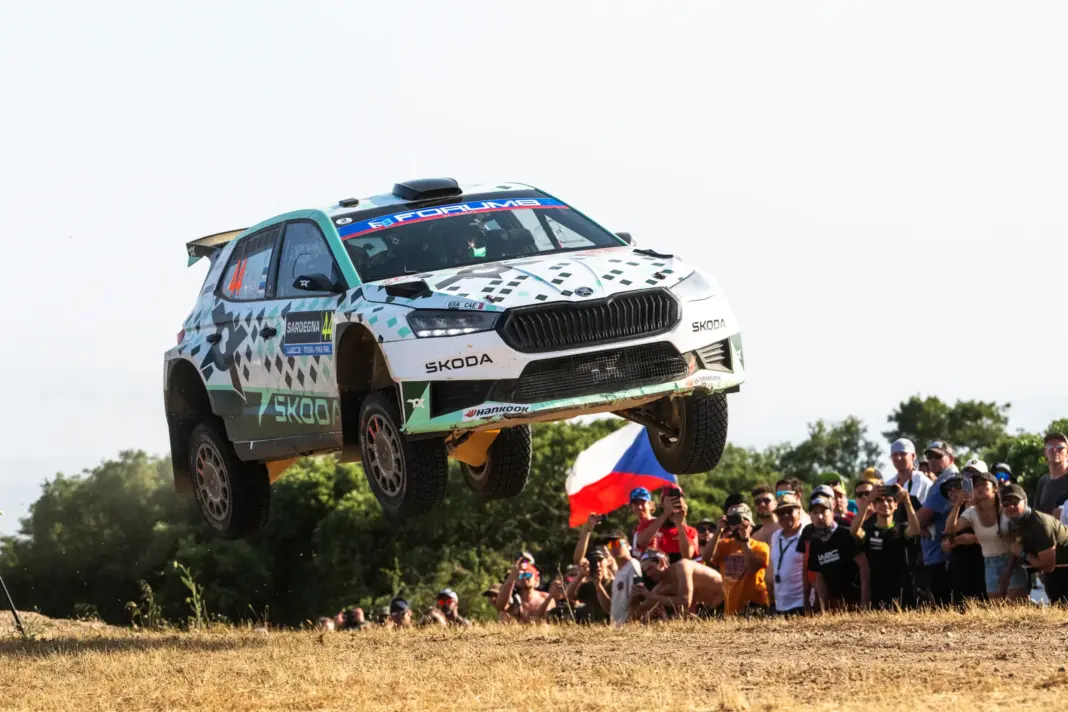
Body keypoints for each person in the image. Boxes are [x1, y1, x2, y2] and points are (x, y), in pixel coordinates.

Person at [946, 468, 1028, 601]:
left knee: (1017, 605)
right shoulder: (971, 512)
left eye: (983, 484)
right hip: (990, 563)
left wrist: (1008, 570)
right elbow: (950, 529)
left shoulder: (1006, 509)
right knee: (996, 609)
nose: (979, 488)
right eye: (976, 485)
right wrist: (958, 504)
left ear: (995, 488)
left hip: (1011, 560)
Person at [851, 483, 921, 609]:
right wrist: (868, 501)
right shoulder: (868, 530)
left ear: (896, 505)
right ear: (875, 505)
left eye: (889, 500)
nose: (885, 504)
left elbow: (916, 530)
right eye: (880, 501)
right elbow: (853, 530)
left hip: (902, 593)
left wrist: (907, 500)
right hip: (877, 594)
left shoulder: (902, 529)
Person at [1002, 484, 1068, 604]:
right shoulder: (1013, 522)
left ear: (1025, 500)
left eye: (1015, 501)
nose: (1010, 506)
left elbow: (1048, 566)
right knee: (1056, 604)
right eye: (1005, 503)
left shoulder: (1040, 524)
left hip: (1061, 566)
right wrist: (1007, 574)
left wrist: (1023, 553)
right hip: (1055, 569)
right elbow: (1015, 547)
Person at [914, 439, 960, 606]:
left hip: (942, 557)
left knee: (941, 609)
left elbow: (918, 520)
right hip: (936, 555)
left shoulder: (948, 483)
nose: (932, 460)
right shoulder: (942, 480)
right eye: (930, 456)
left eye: (938, 456)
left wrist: (916, 525)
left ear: (951, 459)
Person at [805, 494, 869, 612]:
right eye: (815, 512)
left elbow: (864, 567)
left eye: (824, 511)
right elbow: (819, 577)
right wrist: (823, 609)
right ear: (810, 517)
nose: (819, 516)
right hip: (834, 605)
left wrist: (864, 602)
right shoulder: (815, 544)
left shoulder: (845, 535)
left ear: (832, 513)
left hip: (854, 601)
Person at [938, 462, 988, 605]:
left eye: (975, 477)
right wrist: (958, 504)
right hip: (960, 569)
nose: (953, 491)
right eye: (967, 476)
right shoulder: (954, 511)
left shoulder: (990, 507)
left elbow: (998, 538)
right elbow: (945, 543)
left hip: (983, 567)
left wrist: (974, 539)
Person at [709, 503, 770, 615]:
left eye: (742, 522)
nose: (738, 526)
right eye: (734, 522)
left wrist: (745, 540)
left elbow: (752, 568)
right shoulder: (724, 545)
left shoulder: (761, 546)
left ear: (750, 524)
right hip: (730, 611)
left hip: (755, 609)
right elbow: (707, 558)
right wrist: (718, 531)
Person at [632, 550, 726, 620]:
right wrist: (633, 600)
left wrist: (651, 596)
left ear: (661, 563)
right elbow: (640, 611)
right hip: (711, 611)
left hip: (727, 602)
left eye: (650, 569)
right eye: (645, 572)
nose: (648, 574)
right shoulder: (662, 585)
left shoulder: (682, 567)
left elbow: (685, 602)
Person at [592, 530, 643, 626]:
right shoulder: (618, 573)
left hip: (629, 628)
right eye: (610, 545)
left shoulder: (633, 565)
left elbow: (637, 600)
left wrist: (628, 623)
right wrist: (598, 586)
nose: (614, 547)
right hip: (617, 629)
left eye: (617, 543)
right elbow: (610, 608)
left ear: (628, 545)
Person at [768, 492, 806, 615]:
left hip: (802, 604)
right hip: (780, 605)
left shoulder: (806, 535)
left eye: (789, 511)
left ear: (798, 511)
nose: (785, 515)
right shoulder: (775, 536)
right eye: (781, 513)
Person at [635, 488, 699, 562]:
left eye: (678, 499)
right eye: (670, 499)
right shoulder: (649, 524)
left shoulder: (691, 531)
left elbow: (687, 556)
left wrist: (679, 524)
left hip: (679, 566)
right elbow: (641, 542)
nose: (674, 503)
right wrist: (665, 514)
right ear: (662, 504)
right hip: (655, 566)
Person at [495, 553, 554, 623]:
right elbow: (500, 606)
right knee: (503, 614)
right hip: (515, 629)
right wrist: (512, 575)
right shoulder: (512, 599)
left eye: (527, 574)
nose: (524, 577)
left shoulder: (545, 598)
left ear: (537, 579)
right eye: (520, 575)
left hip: (540, 629)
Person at [884, 438, 932, 506]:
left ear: (913, 456)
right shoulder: (889, 484)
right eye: (894, 455)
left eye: (903, 454)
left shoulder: (922, 481)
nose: (898, 458)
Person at [1034, 432, 1068, 518]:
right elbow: (1037, 515)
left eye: (1060, 448)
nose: (1054, 450)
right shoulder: (1043, 481)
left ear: (1067, 453)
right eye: (1050, 447)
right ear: (1045, 452)